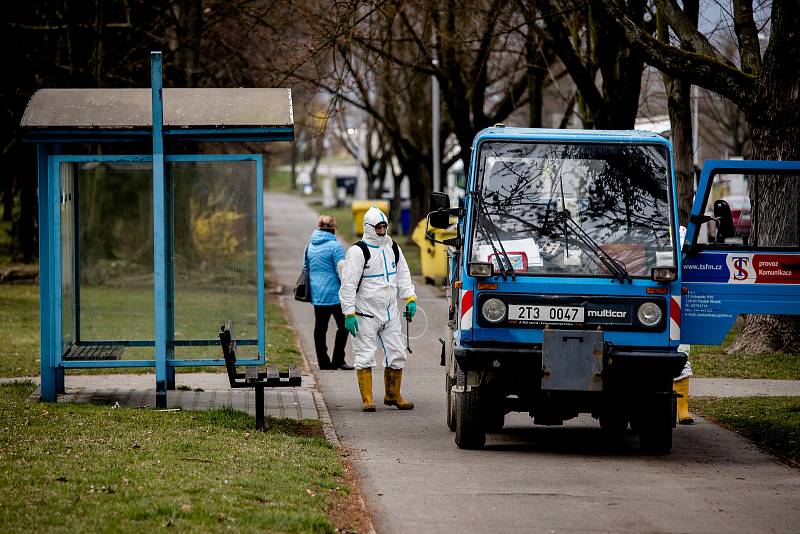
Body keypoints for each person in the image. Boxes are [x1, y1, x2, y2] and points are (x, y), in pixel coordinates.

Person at [339, 206, 417, 411]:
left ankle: (393, 394)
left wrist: (410, 297)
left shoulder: (392, 248)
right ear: (368, 228)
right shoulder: (358, 251)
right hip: (366, 313)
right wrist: (349, 312)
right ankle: (367, 399)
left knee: (397, 352)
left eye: (384, 227)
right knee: (365, 355)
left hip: (390, 313)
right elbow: (348, 284)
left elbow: (403, 274)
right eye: (378, 227)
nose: (382, 231)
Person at [306, 215, 354, 370]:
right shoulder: (335, 246)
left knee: (320, 329)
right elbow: (341, 271)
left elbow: (306, 268)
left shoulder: (309, 246)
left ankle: (324, 363)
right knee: (344, 326)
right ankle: (338, 360)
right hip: (335, 295)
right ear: (334, 228)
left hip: (318, 295)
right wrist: (349, 289)